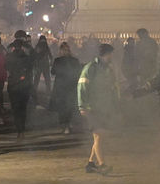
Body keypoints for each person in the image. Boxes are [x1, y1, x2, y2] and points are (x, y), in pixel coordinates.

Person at [78, 43, 120, 174]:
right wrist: (82, 106)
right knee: (99, 135)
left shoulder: (108, 68)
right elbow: (82, 87)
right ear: (105, 54)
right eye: (110, 54)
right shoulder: (90, 68)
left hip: (104, 107)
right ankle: (101, 165)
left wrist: (115, 102)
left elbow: (113, 86)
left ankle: (91, 163)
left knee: (99, 137)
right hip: (92, 107)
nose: (111, 57)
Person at [4, 36, 34, 142]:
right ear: (22, 47)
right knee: (23, 108)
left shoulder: (8, 57)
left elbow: (6, 70)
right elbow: (30, 70)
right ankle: (22, 130)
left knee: (15, 108)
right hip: (24, 86)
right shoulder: (26, 57)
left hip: (13, 85)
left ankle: (18, 129)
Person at [51, 42, 82, 134]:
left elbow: (53, 72)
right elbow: (79, 72)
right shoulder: (75, 60)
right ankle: (68, 123)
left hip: (60, 87)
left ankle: (65, 125)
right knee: (70, 105)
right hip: (71, 86)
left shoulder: (57, 60)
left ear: (60, 51)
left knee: (62, 107)